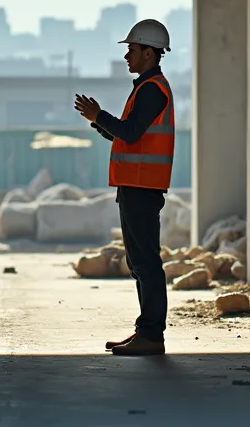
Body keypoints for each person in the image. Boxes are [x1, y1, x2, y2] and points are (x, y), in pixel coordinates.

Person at [73, 19, 175, 356]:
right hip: (135, 185)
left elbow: (129, 132)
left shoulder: (152, 90)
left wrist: (99, 115)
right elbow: (129, 134)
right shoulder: (144, 87)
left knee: (146, 261)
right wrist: (99, 121)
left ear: (149, 52)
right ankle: (145, 331)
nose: (128, 55)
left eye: (132, 49)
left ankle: (151, 335)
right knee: (139, 261)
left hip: (142, 187)